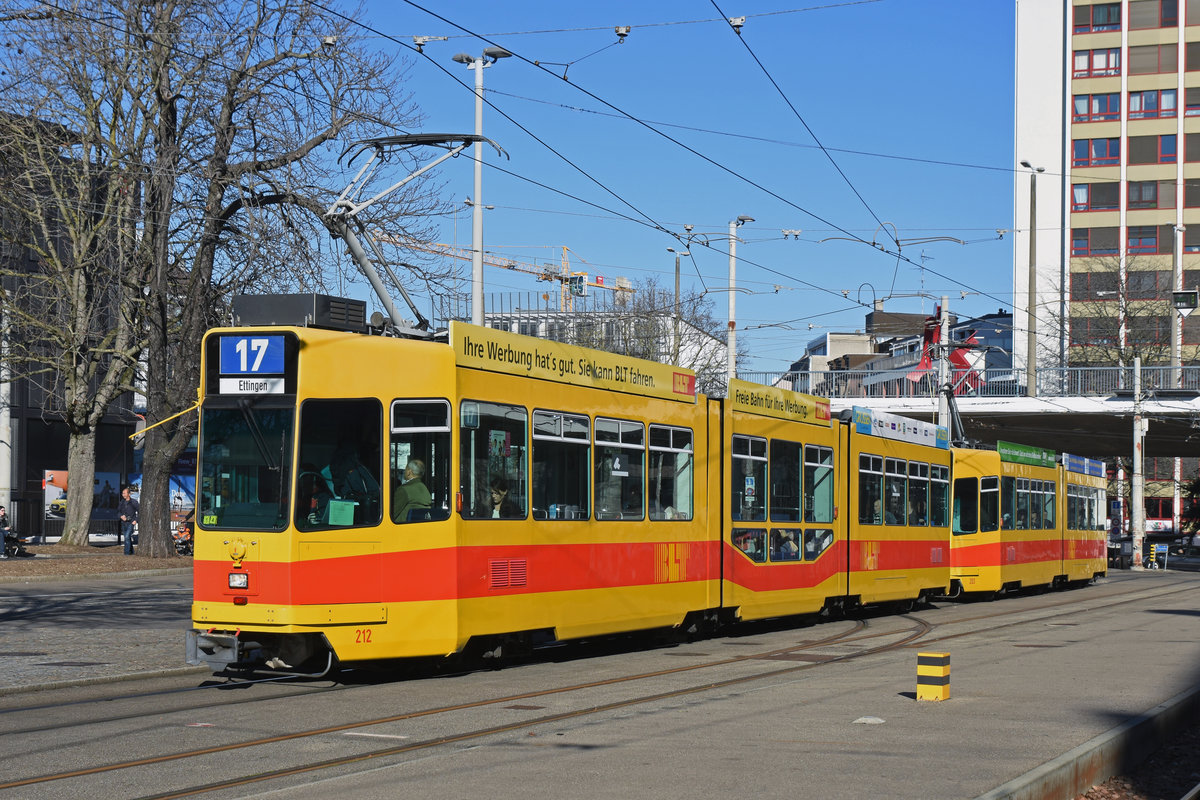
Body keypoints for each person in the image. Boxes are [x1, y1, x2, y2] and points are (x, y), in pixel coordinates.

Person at [393, 458, 432, 523]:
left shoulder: (403, 490)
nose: (404, 471)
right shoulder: (425, 490)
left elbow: (391, 514)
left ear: (409, 472)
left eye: (405, 469)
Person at [117, 486, 139, 556]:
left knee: (126, 537)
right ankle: (131, 552)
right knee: (127, 538)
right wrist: (121, 516)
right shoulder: (122, 502)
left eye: (124, 493)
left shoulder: (134, 502)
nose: (123, 495)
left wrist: (135, 520)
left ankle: (126, 553)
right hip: (124, 523)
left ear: (129, 494)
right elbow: (118, 511)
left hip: (131, 522)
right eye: (122, 493)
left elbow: (140, 511)